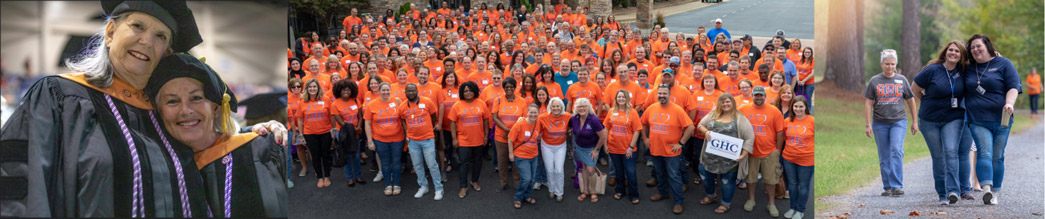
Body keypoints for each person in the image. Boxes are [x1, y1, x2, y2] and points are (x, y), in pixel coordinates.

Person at [0, 1, 212, 216]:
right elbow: (18, 185)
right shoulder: (59, 99)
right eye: (137, 26)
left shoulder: (168, 115)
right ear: (110, 33)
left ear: (166, 53)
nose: (147, 41)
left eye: (161, 36)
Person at [145, 53, 287, 217]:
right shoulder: (155, 171)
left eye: (196, 98)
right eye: (172, 101)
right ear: (159, 112)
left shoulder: (262, 148)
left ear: (215, 108)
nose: (185, 110)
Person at [963, 34, 1021, 205]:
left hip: (1002, 118)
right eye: (972, 47)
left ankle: (995, 192)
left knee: (998, 156)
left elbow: (1013, 86)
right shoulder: (967, 68)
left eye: (978, 46)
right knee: (984, 152)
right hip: (978, 119)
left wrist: (1009, 104)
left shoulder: (1004, 64)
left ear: (987, 46)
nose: (975, 49)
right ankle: (986, 188)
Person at [912, 40, 970, 205]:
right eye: (950, 50)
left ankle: (953, 191)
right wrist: (927, 102)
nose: (953, 53)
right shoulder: (932, 70)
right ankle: (942, 195)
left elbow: (982, 68)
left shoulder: (964, 72)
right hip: (929, 120)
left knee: (951, 152)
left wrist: (996, 56)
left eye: (957, 51)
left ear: (961, 56)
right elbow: (914, 88)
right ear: (945, 52)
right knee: (938, 157)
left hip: (953, 118)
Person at [863, 49, 918, 197]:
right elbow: (868, 103)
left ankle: (897, 185)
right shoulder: (875, 81)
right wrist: (868, 124)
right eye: (887, 64)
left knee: (896, 150)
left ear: (896, 64)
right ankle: (887, 186)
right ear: (881, 64)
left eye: (893, 64)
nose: (890, 67)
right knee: (884, 155)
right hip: (880, 123)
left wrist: (914, 121)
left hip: (898, 122)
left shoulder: (902, 80)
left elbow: (911, 100)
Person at [695, 93, 754, 214]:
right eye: (723, 102)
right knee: (705, 176)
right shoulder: (713, 114)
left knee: (727, 182)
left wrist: (743, 155)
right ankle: (711, 196)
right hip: (708, 157)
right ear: (719, 104)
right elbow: (700, 125)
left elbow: (749, 138)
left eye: (728, 101)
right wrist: (706, 132)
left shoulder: (740, 118)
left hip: (730, 160)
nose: (725, 104)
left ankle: (726, 203)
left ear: (733, 103)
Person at [642, 84, 695, 215]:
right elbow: (643, 123)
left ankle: (678, 202)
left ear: (670, 95)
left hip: (672, 152)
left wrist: (681, 143)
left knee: (674, 176)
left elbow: (690, 127)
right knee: (660, 173)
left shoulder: (677, 110)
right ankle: (663, 193)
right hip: (656, 149)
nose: (662, 96)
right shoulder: (651, 108)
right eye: (660, 93)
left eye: (664, 93)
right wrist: (645, 139)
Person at [738, 86, 786, 217]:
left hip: (770, 152)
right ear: (752, 96)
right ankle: (751, 199)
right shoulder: (743, 109)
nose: (758, 98)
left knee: (770, 180)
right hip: (750, 151)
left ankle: (771, 203)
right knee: (751, 178)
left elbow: (780, 132)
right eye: (756, 95)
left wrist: (778, 150)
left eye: (761, 95)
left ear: (765, 96)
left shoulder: (774, 111)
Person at [399, 83, 444, 200]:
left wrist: (428, 127)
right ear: (405, 93)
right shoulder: (403, 106)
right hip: (413, 141)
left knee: (432, 165)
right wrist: (407, 131)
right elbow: (403, 120)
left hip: (427, 139)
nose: (411, 93)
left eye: (413, 90)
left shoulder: (428, 102)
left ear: (417, 91)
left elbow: (433, 116)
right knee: (417, 165)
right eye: (408, 91)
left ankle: (439, 188)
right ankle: (423, 186)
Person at [448, 81, 491, 199]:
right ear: (462, 92)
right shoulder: (457, 105)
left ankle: (474, 181)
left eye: (470, 90)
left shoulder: (481, 103)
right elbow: (452, 122)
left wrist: (486, 136)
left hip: (478, 139)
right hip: (463, 140)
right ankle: (463, 186)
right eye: (465, 91)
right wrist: (454, 139)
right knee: (463, 163)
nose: (468, 93)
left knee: (478, 161)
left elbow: (486, 120)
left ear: (475, 91)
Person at [364, 82, 406, 196]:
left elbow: (403, 119)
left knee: (396, 162)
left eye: (388, 90)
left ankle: (396, 184)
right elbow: (367, 123)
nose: (386, 92)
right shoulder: (372, 104)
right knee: (385, 162)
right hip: (380, 139)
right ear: (379, 90)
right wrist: (370, 141)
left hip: (397, 138)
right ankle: (388, 184)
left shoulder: (397, 101)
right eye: (383, 90)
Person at [605, 89, 643, 204]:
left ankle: (634, 194)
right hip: (613, 147)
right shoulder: (611, 111)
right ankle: (620, 190)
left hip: (628, 149)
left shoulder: (632, 112)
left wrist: (631, 147)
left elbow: (637, 131)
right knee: (619, 171)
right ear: (616, 99)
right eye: (619, 97)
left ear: (627, 99)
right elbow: (606, 127)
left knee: (630, 172)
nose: (621, 99)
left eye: (623, 97)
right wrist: (605, 144)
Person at [298, 78, 335, 188]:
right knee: (315, 156)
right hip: (310, 133)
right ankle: (320, 177)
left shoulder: (326, 99)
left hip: (325, 132)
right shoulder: (302, 102)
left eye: (314, 86)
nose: (312, 89)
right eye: (310, 87)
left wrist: (334, 129)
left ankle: (327, 177)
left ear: (318, 88)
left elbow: (331, 116)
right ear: (307, 89)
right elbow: (300, 120)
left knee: (326, 155)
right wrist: (301, 135)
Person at [569, 98, 608, 203]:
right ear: (576, 108)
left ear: (588, 107)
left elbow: (603, 136)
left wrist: (596, 150)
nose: (582, 108)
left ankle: (593, 191)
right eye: (579, 106)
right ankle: (585, 191)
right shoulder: (574, 118)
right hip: (580, 147)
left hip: (591, 148)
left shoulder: (593, 120)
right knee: (584, 168)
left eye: (584, 106)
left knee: (591, 170)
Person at [781, 96, 813, 219]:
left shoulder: (812, 121)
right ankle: (792, 207)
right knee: (793, 185)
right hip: (789, 158)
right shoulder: (787, 121)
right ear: (791, 107)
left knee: (804, 186)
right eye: (795, 106)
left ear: (805, 107)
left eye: (801, 106)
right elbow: (784, 137)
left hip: (807, 159)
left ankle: (800, 210)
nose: (798, 109)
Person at [493, 77, 527, 190]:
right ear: (503, 88)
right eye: (506, 87)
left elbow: (524, 119)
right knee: (502, 161)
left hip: (517, 137)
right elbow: (495, 117)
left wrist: (512, 132)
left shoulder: (522, 101)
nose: (509, 89)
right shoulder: (498, 100)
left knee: (516, 161)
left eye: (511, 86)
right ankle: (503, 182)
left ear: (515, 87)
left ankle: (517, 182)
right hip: (500, 136)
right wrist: (507, 130)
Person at [330, 79, 366, 187]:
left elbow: (360, 117)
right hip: (345, 134)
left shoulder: (355, 101)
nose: (347, 91)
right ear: (339, 91)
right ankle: (349, 178)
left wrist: (359, 127)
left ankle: (358, 176)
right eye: (344, 90)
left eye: (349, 90)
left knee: (356, 155)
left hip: (356, 132)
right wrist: (354, 129)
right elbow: (341, 123)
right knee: (347, 156)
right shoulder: (335, 104)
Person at [508, 104, 543, 209]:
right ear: (527, 113)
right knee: (526, 178)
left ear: (538, 113)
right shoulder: (519, 124)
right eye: (531, 112)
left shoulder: (538, 123)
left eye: (535, 112)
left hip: (534, 155)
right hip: (521, 155)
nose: (533, 114)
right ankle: (518, 198)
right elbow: (510, 139)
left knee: (532, 179)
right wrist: (510, 153)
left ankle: (526, 196)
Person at [538, 97, 572, 202]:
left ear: (561, 107)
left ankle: (559, 192)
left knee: (559, 170)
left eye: (558, 106)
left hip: (561, 146)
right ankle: (551, 189)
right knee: (549, 169)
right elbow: (532, 123)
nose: (556, 108)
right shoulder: (543, 117)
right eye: (553, 106)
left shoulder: (567, 116)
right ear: (550, 107)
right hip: (547, 146)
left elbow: (580, 119)